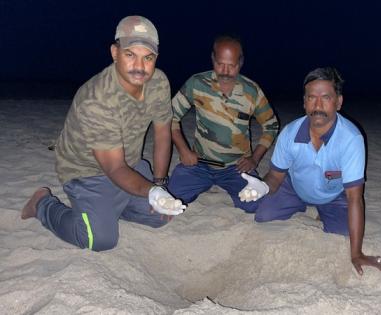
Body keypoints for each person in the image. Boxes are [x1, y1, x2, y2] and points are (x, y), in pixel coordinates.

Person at [21, 15, 185, 252]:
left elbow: (162, 133)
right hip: (87, 173)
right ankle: (41, 205)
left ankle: (115, 206)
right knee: (98, 240)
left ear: (155, 59)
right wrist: (151, 191)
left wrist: (159, 184)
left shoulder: (158, 82)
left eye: (147, 58)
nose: (140, 67)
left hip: (130, 163)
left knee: (160, 217)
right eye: (130, 55)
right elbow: (114, 168)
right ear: (115, 52)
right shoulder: (96, 100)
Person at [239, 67, 381, 275]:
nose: (318, 105)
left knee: (344, 232)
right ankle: (303, 205)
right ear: (304, 102)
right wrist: (262, 187)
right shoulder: (289, 134)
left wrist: (356, 254)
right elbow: (275, 176)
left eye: (326, 97)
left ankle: (322, 210)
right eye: (312, 98)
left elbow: (355, 198)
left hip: (332, 195)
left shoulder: (351, 139)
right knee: (263, 216)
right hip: (295, 187)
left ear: (339, 102)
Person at [167, 35, 279, 213]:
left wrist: (254, 159)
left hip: (236, 168)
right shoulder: (197, 83)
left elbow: (271, 126)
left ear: (240, 63)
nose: (225, 71)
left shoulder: (252, 91)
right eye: (220, 64)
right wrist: (183, 150)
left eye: (232, 65)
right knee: (170, 200)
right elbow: (170, 117)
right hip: (199, 165)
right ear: (213, 59)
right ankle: (200, 184)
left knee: (256, 205)